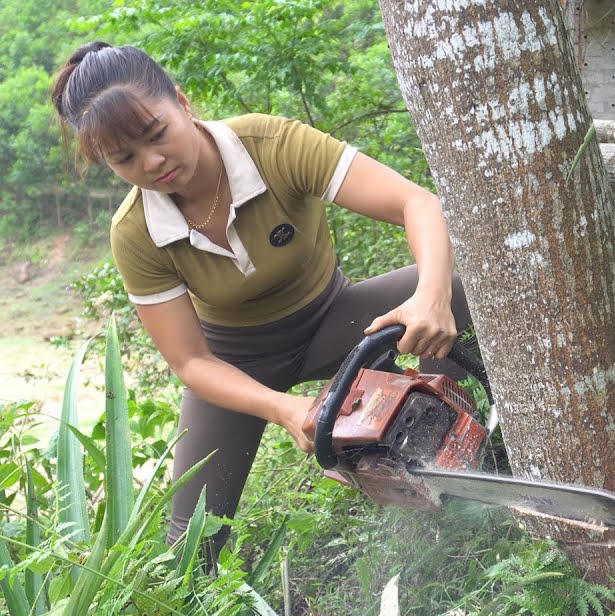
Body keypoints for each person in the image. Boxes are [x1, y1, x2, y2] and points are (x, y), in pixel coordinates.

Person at [52, 41, 483, 558]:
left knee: (462, 290)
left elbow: (417, 203)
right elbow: (190, 360)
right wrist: (286, 409)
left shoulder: (271, 144)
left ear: (183, 103)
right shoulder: (136, 232)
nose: (153, 162)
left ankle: (467, 451)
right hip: (237, 364)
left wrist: (430, 298)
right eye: (124, 158)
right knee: (192, 547)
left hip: (337, 319)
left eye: (156, 134)